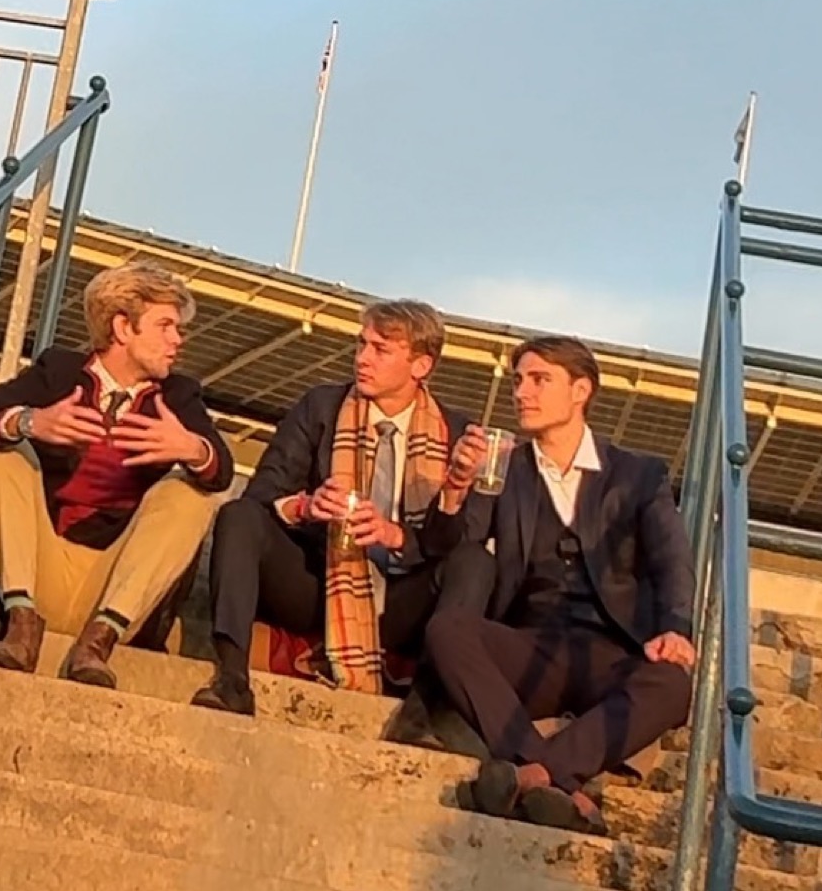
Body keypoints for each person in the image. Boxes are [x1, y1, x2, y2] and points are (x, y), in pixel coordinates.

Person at [422, 334, 695, 834]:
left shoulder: (637, 475)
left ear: (580, 390)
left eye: (539, 380)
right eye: (518, 380)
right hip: (531, 646)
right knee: (448, 630)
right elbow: (448, 549)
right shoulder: (505, 467)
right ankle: (555, 777)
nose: (521, 392)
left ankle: (534, 773)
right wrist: (456, 489)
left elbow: (671, 560)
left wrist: (676, 627)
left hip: (610, 652)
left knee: (675, 683)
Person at [0, 262, 233, 688]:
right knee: (1, 452)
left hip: (115, 585)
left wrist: (191, 448)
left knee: (193, 491)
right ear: (123, 328)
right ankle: (20, 625)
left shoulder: (179, 395)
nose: (177, 339)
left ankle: (98, 640)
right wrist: (31, 422)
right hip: (36, 569)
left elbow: (223, 469)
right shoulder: (60, 371)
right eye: (165, 325)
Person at [191, 299, 494, 715]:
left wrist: (405, 529)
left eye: (381, 350)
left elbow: (465, 540)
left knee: (475, 562)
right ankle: (232, 678)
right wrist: (307, 506)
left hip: (403, 599)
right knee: (238, 517)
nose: (363, 359)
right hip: (320, 582)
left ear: (421, 366)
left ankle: (420, 712)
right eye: (361, 344)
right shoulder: (321, 407)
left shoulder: (456, 432)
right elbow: (261, 494)